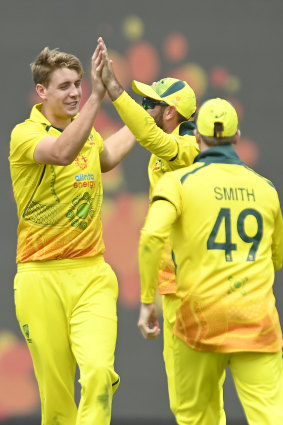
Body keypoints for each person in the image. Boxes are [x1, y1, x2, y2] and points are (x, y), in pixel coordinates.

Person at [96, 37, 227, 423]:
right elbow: (122, 149)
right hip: (176, 286)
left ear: (171, 113)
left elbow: (150, 136)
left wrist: (115, 91)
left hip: (196, 287)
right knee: (188, 398)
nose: (144, 107)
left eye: (150, 103)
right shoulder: (164, 147)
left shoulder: (188, 149)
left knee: (195, 397)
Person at [9, 45, 136, 425]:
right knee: (58, 402)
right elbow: (63, 152)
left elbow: (106, 157)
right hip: (39, 278)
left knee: (98, 371)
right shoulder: (25, 135)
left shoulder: (85, 131)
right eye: (64, 86)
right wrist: (99, 97)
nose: (75, 92)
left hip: (91, 275)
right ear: (42, 91)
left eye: (79, 84)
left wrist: (146, 120)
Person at [138, 97, 283, 425]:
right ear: (237, 138)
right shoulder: (267, 189)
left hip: (199, 321)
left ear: (197, 138)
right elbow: (276, 258)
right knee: (271, 416)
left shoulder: (176, 183)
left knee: (196, 418)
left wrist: (148, 301)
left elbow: (150, 237)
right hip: (256, 320)